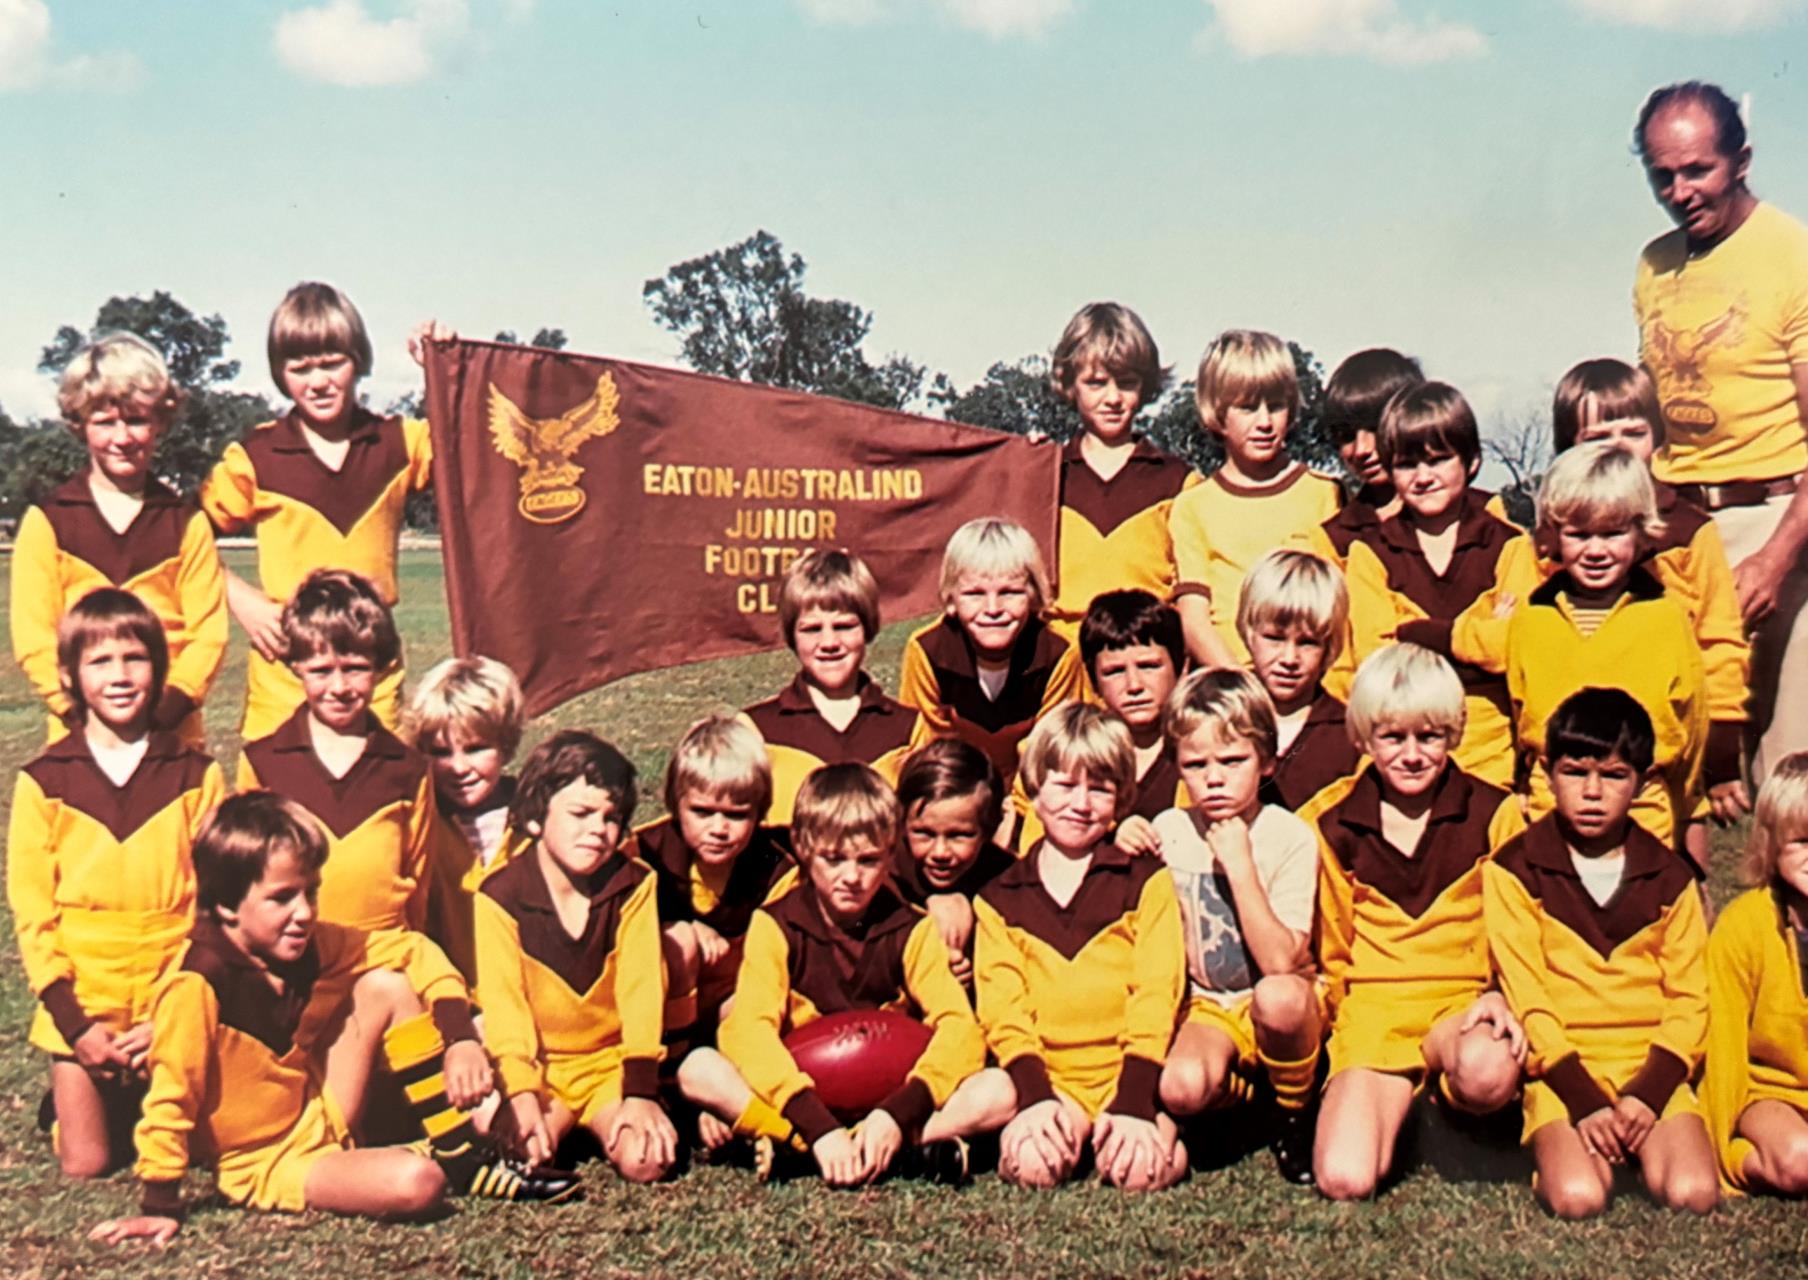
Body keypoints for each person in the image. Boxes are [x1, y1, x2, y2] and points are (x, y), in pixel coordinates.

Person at [91, 792, 573, 1246]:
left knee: (386, 985)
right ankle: (429, 1159)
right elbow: (171, 1096)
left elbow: (412, 948)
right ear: (225, 905)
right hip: (269, 1159)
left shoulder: (312, 945)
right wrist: (160, 1202)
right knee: (418, 1183)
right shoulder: (198, 982)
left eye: (311, 893)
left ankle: (460, 1153)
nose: (303, 913)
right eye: (282, 898)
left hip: (319, 1102)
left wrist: (462, 1037)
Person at [688, 764, 1003, 1185]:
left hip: (890, 1088)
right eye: (834, 859)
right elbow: (749, 1030)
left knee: (999, 1090)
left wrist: (898, 1113)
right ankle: (818, 1144)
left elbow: (960, 1029)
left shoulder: (912, 927)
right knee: (700, 1069)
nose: (851, 877)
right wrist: (815, 1126)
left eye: (869, 860)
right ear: (802, 847)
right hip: (804, 1088)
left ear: (892, 853)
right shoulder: (775, 924)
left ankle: (851, 1145)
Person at [7, 590, 226, 1176]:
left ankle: (142, 1090)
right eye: (100, 662)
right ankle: (76, 1100)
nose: (121, 676)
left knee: (204, 1150)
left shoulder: (196, 775)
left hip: (167, 997)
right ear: (70, 676)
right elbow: (33, 915)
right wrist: (76, 1026)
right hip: (85, 1002)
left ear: (159, 667)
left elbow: (214, 908)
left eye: (135, 658)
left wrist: (170, 1017)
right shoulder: (44, 781)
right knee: (87, 1164)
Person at [1300, 644, 1526, 1200]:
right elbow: (1333, 946)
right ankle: (1397, 1109)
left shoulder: (1496, 813)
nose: (1411, 755)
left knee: (1487, 1070)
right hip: (1375, 1014)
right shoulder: (1331, 819)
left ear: (1453, 734)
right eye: (1392, 737)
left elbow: (1520, 928)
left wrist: (1501, 994)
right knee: (1345, 1178)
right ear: (1363, 737)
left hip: (1460, 1004)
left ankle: (1451, 1112)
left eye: (1428, 736)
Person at [1633, 80, 1808, 786]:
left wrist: (1775, 558)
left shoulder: (1791, 254)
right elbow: (1648, 413)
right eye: (1661, 176)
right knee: (1672, 766)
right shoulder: (1653, 265)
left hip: (1775, 519)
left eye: (1697, 169)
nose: (1680, 191)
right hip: (1678, 524)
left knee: (1791, 776)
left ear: (1741, 160)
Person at [1484, 688, 1717, 1218]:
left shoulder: (1670, 876)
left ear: (1642, 782)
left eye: (1613, 776)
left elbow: (1689, 998)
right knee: (1579, 1198)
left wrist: (1649, 1093)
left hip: (1647, 1058)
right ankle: (1562, 1148)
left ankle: (1640, 1140)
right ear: (1545, 772)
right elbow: (1528, 997)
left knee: (1692, 1194)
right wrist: (1583, 1097)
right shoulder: (1514, 868)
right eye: (1575, 772)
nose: (1592, 792)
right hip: (1564, 1064)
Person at [200, 283, 439, 739]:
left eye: (333, 363)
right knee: (277, 803)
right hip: (285, 674)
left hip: (373, 672)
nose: (319, 381)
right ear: (279, 372)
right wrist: (240, 599)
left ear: (359, 360)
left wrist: (445, 371)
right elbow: (179, 534)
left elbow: (473, 457)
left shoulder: (400, 442)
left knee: (379, 796)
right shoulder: (256, 456)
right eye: (301, 367)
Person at [975, 704, 1189, 1191]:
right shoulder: (1000, 897)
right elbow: (1003, 1009)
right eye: (1065, 785)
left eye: (1100, 788)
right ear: (1034, 786)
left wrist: (1134, 1098)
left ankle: (1163, 1127)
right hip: (1054, 1080)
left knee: (1140, 1172)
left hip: (1130, 1070)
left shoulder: (1145, 881)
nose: (1082, 803)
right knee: (1032, 1165)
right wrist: (1036, 1097)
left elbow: (1157, 991)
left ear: (1121, 798)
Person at [1551, 357, 1751, 874]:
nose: (1619, 447)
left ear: (1657, 439)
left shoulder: (1688, 530)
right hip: (1578, 753)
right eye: (1597, 435)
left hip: (1669, 756)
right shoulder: (1553, 541)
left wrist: (1721, 759)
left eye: (1634, 432)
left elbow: (1721, 643)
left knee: (1679, 877)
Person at [475, 731, 677, 1183]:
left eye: (611, 818)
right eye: (581, 813)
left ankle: (611, 1121)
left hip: (610, 1065)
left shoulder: (634, 884)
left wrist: (640, 1090)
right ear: (535, 817)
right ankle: (553, 1125)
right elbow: (505, 1007)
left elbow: (642, 989)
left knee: (647, 1161)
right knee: (520, 1157)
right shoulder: (499, 895)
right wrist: (523, 1091)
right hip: (544, 1068)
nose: (597, 830)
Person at [10, 333, 226, 748]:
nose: (122, 438)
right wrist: (78, 712)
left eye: (137, 420)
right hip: (78, 737)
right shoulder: (48, 523)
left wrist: (163, 715)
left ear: (160, 421)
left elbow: (209, 636)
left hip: (172, 737)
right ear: (80, 425)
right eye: (105, 422)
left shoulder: (185, 522)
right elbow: (35, 638)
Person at [1152, 669, 1323, 1184]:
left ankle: (1294, 1109)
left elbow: (1279, 961)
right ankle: (1249, 1102)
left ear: (1266, 760)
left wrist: (1241, 865)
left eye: (1233, 761)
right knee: (1180, 1088)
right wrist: (1129, 836)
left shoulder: (1287, 835)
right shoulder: (1171, 830)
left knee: (1279, 997)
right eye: (1196, 764)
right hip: (1208, 1004)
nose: (1215, 778)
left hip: (1276, 999)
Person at [1505, 444, 1712, 851]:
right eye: (1579, 535)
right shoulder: (1532, 619)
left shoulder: (1666, 617)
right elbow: (1518, 711)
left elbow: (1693, 724)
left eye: (1612, 533)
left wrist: (1688, 813)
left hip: (1642, 805)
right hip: (1553, 805)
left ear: (1640, 532)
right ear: (1554, 535)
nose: (1596, 551)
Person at [237, 569, 442, 938]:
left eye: (355, 669)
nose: (339, 687)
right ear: (296, 666)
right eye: (321, 670)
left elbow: (419, 882)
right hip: (295, 959)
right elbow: (245, 878)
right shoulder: (263, 763)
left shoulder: (408, 770)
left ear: (380, 668)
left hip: (382, 956)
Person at [1344, 381, 1520, 788]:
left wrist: (1417, 634)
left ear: (1471, 461)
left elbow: (1515, 649)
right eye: (1407, 465)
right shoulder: (1370, 553)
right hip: (1404, 753)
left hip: (1491, 753)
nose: (1423, 477)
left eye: (1438, 460)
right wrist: (1480, 646)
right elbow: (1376, 665)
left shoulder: (1510, 546)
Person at [1168, 329, 1343, 667]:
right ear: (1217, 413)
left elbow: (1336, 608)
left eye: (1275, 407)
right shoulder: (1193, 505)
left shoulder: (1323, 493)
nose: (1264, 422)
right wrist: (1241, 688)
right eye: (1247, 408)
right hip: (1230, 686)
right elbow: (1194, 620)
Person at [1044, 302, 1203, 655]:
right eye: (1096, 383)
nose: (1113, 398)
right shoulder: (1046, 475)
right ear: (1070, 385)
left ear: (1146, 387)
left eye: (1127, 383)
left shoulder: (1178, 482)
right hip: (1062, 669)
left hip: (1147, 664)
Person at [629, 715, 792, 1054]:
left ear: (759, 813)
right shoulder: (646, 853)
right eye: (702, 812)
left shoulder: (773, 864)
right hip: (658, 1007)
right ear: (677, 804)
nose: (719, 828)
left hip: (738, 998)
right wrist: (675, 924)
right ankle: (671, 1069)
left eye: (736, 815)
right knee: (679, 940)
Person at [898, 518, 1087, 797]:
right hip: (954, 791)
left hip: (1035, 793)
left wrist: (1015, 816)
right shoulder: (929, 650)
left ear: (1034, 595)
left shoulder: (1057, 653)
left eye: (1009, 592)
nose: (993, 609)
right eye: (974, 594)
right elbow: (924, 748)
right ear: (951, 598)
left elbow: (1051, 751)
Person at [742, 549, 916, 827]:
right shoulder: (755, 731)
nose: (829, 642)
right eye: (811, 629)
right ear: (791, 635)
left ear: (868, 628)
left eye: (844, 626)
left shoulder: (908, 729)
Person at [1703, 751, 1808, 1195]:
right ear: (1770, 844)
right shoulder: (1745, 924)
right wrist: (1710, 1151)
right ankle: (1741, 1157)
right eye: (1802, 841)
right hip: (1771, 1091)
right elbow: (1722, 1045)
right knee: (1799, 1164)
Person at [1014, 589, 1187, 854]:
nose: (1134, 685)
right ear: (1093, 680)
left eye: (1149, 666)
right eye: (1114, 672)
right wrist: (1109, 832)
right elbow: (1034, 848)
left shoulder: (1197, 748)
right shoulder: (1071, 749)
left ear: (1180, 668)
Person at [403, 653, 530, 980]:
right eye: (441, 753)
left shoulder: (534, 817)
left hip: (531, 991)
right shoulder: (417, 821)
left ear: (505, 743)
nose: (459, 768)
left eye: (475, 749)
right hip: (451, 995)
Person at [1238, 549, 1363, 811]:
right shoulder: (1221, 710)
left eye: (1308, 643)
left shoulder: (1349, 735)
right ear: (1249, 632)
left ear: (1329, 647)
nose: (1289, 659)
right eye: (1274, 638)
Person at [892, 738, 1017, 987]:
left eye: (959, 835)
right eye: (924, 833)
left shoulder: (1007, 879)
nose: (940, 852)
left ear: (988, 830)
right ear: (902, 825)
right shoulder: (883, 875)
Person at [1311, 348, 1424, 568]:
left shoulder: (1477, 515)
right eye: (1346, 436)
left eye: (1376, 428)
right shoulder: (1333, 542)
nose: (1362, 449)